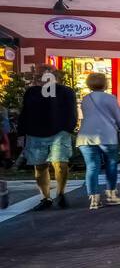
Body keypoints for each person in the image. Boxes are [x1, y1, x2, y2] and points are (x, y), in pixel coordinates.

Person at [16, 65, 78, 210]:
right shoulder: (31, 92)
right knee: (40, 166)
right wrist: (21, 133)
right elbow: (24, 113)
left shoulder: (66, 91)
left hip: (60, 132)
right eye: (43, 75)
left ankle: (61, 193)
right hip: (35, 133)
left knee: (61, 164)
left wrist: (68, 128)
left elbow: (72, 111)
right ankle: (45, 198)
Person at [76, 71, 120, 209]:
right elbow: (118, 117)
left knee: (92, 167)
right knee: (111, 165)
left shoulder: (86, 99)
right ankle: (111, 195)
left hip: (86, 136)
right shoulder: (110, 98)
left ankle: (94, 199)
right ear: (105, 83)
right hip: (107, 135)